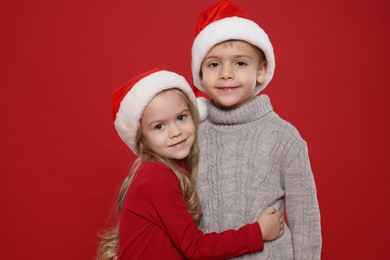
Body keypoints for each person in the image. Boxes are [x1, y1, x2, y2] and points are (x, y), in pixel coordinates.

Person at [97, 68, 284, 260]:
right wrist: (257, 232)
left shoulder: (168, 170)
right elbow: (196, 248)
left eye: (181, 117)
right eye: (159, 126)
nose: (175, 132)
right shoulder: (157, 176)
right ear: (142, 139)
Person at [191, 1, 322, 259]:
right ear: (200, 73)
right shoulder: (191, 140)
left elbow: (305, 221)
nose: (226, 74)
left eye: (240, 63)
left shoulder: (284, 138)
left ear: (261, 71)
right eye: (214, 64)